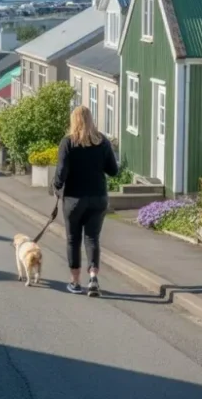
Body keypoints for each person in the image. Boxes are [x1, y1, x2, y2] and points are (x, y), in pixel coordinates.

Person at [51, 106, 119, 297]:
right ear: (91, 120)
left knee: (73, 240)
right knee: (92, 238)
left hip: (74, 199)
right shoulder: (102, 141)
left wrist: (56, 186)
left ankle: (75, 281)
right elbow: (113, 170)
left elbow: (61, 172)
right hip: (98, 198)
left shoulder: (68, 143)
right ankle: (93, 278)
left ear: (73, 121)